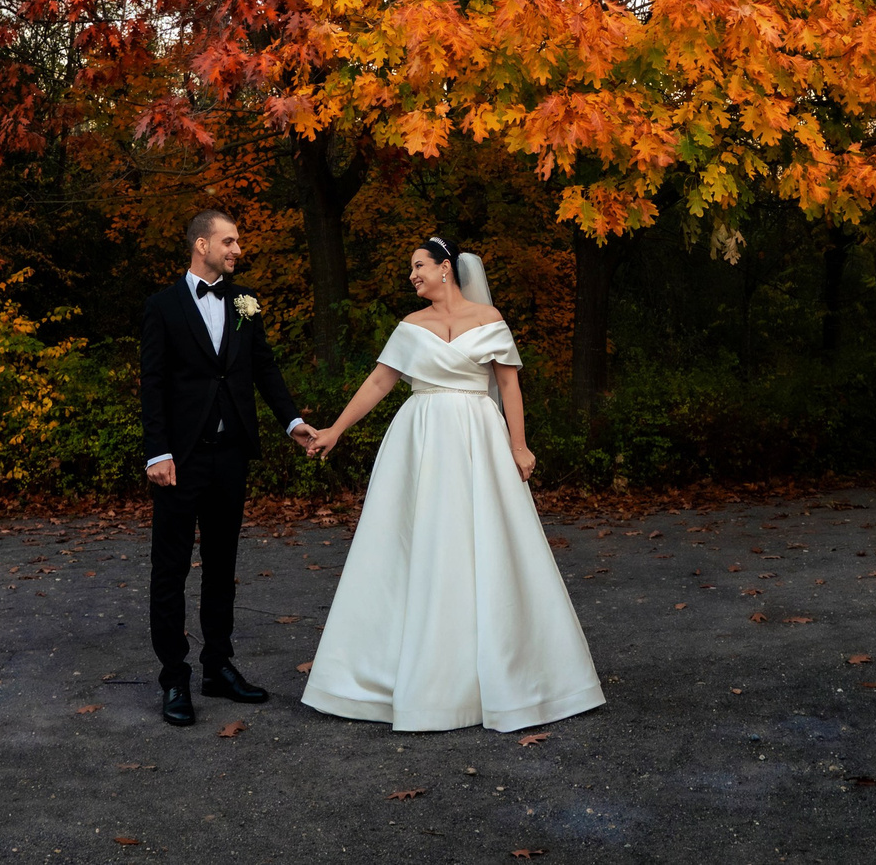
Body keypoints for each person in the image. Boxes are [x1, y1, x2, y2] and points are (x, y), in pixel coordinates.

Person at [298, 236, 605, 732]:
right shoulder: (409, 327)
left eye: (418, 265)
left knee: (486, 543)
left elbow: (508, 385)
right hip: (420, 439)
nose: (412, 275)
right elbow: (379, 382)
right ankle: (396, 672)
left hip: (478, 436)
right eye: (410, 268)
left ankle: (508, 674)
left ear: (446, 268)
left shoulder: (489, 320)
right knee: (416, 544)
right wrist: (335, 429)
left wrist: (519, 445)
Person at [138, 208, 319, 727]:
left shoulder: (246, 305)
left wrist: (293, 422)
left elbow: (263, 368)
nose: (238, 249)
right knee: (170, 571)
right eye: (230, 240)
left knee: (222, 567)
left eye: (237, 241)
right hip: (180, 460)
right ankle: (175, 678)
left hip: (231, 455)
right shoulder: (163, 307)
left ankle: (218, 667)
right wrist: (158, 451)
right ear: (202, 245)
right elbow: (153, 383)